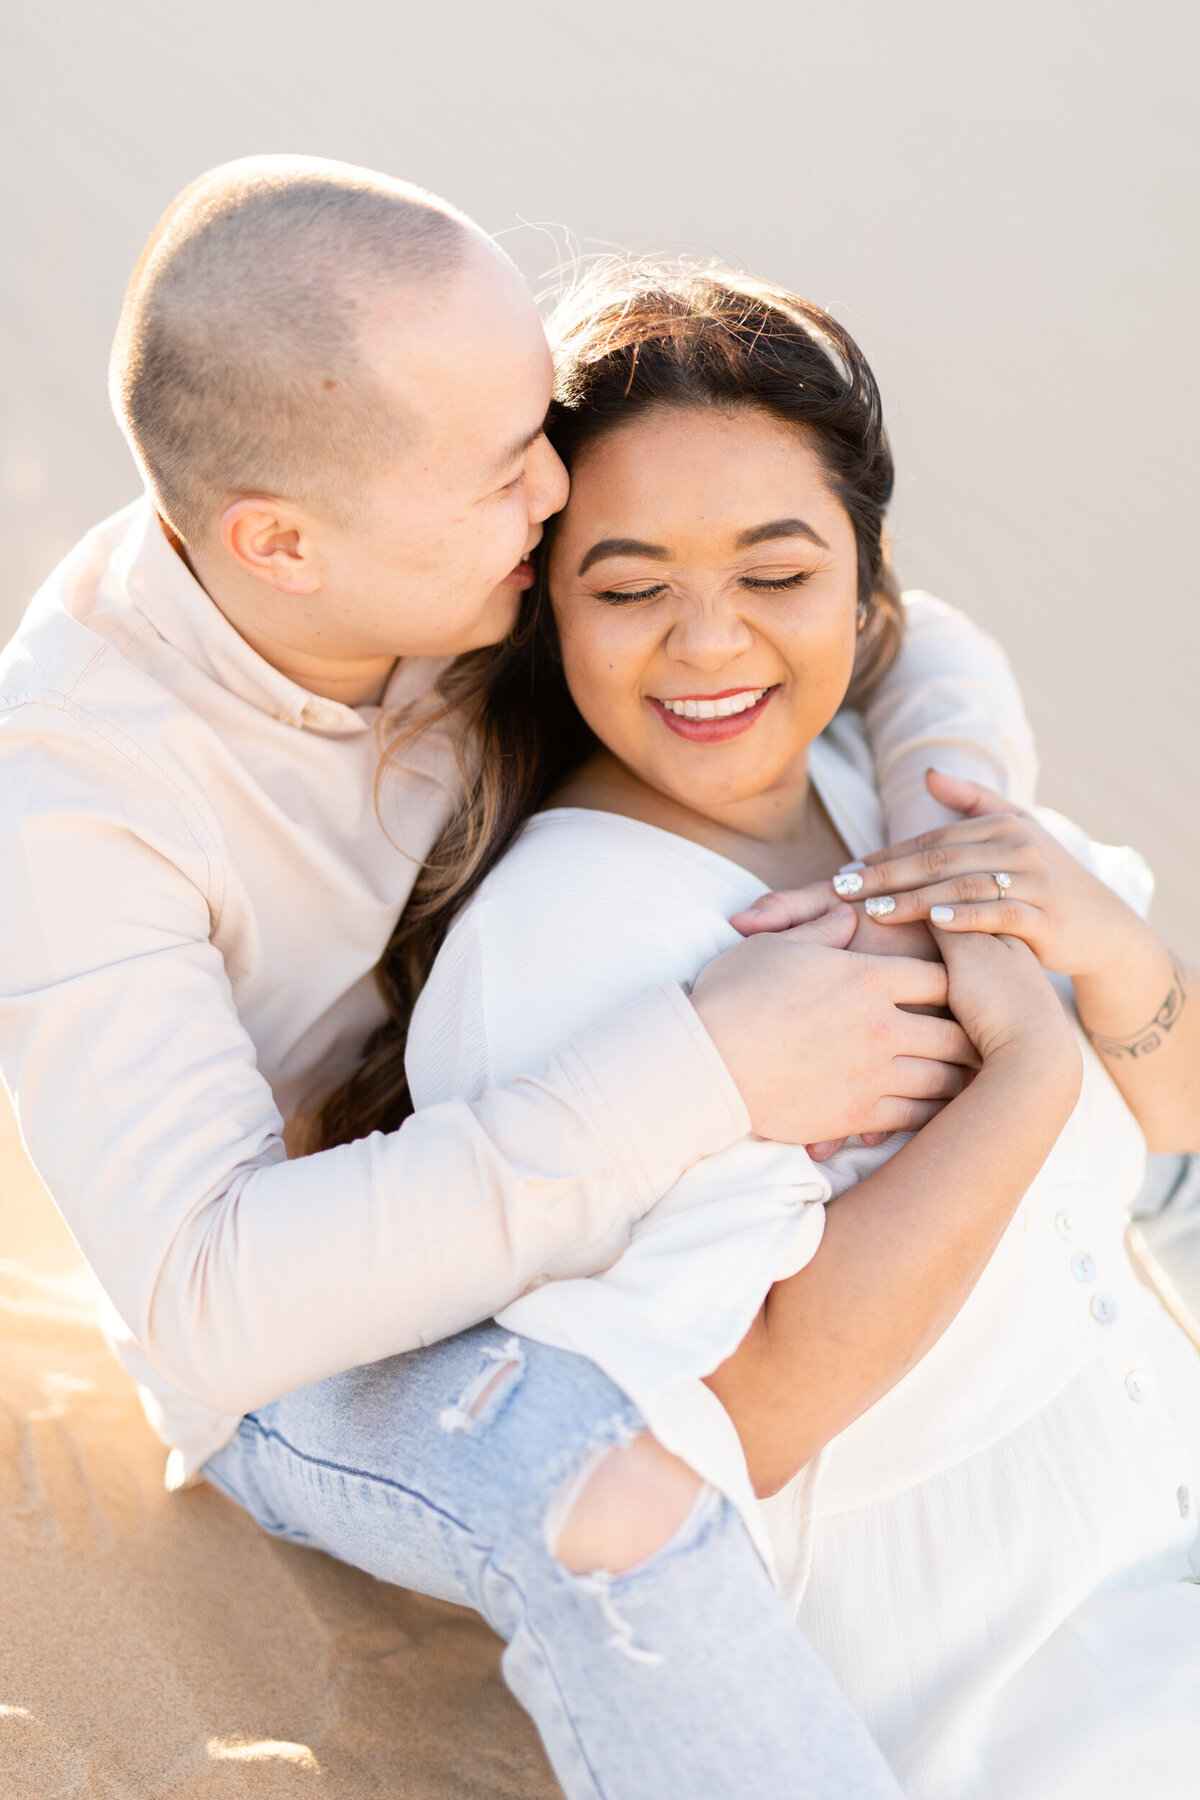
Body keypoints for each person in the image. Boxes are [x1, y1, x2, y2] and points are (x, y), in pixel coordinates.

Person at [0, 156, 1051, 1799]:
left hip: (583, 1126)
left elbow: (915, 630)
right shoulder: (72, 800)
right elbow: (211, 1306)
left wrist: (949, 838)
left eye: (541, 429)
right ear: (279, 542)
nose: (564, 499)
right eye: (510, 474)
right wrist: (702, 1070)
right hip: (343, 1319)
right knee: (599, 1493)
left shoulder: (446, 544)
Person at [289, 261, 1200, 1797]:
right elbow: (746, 1407)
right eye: (630, 587)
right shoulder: (569, 946)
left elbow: (1169, 1130)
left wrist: (1114, 962)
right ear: (546, 607)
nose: (710, 647)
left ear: (864, 574)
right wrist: (1031, 1062)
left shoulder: (871, 780)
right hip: (1015, 1701)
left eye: (776, 575)